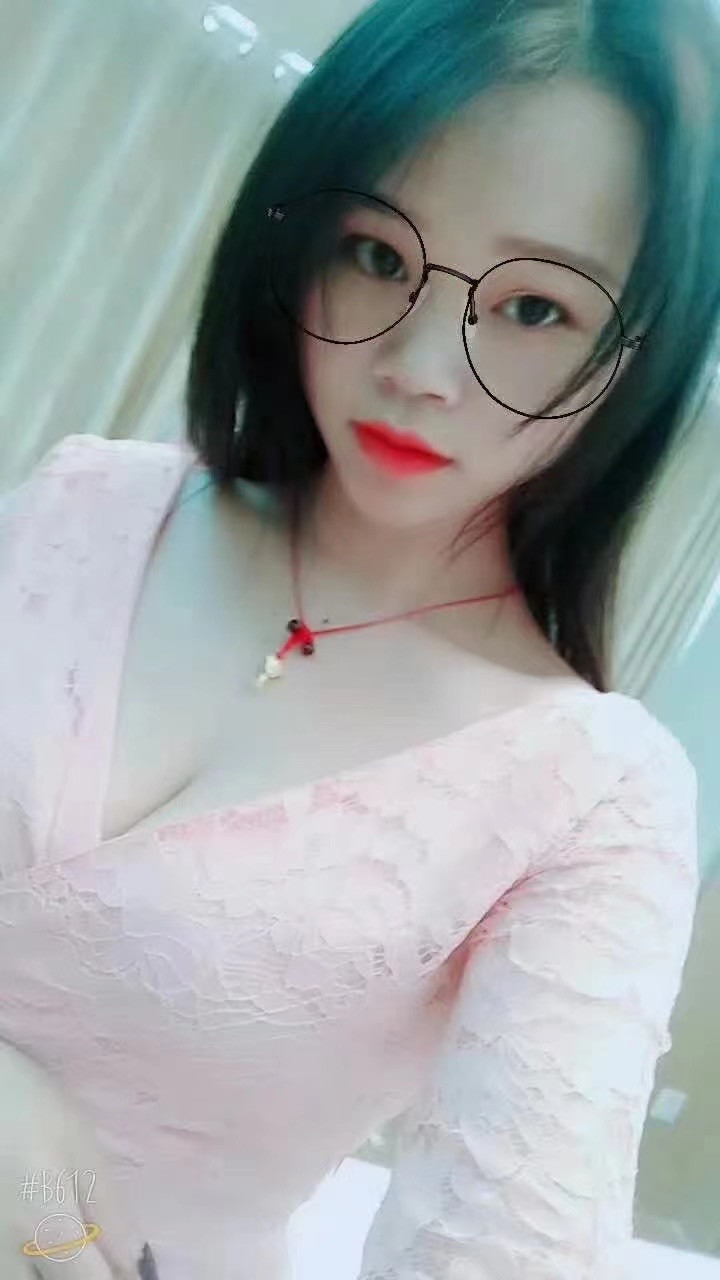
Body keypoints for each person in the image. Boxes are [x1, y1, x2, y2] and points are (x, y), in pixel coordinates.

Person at [0, 0, 719, 1275]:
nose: (421, 365)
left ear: (638, 359)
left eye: (536, 308)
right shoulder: (84, 503)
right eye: (379, 254)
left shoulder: (592, 797)